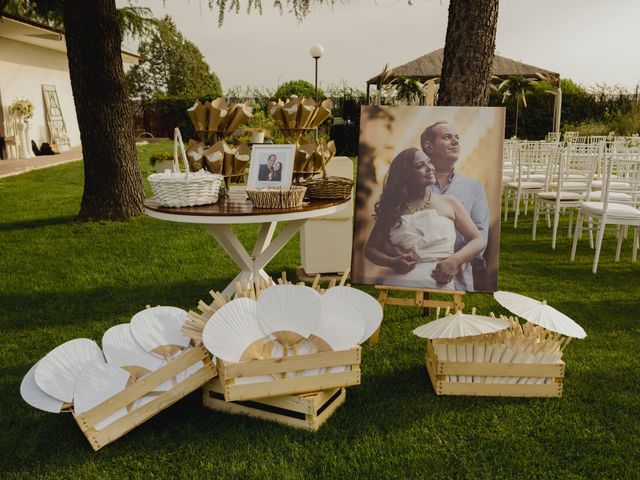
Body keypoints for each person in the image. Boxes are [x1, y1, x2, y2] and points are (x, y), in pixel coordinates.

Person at [364, 148, 485, 290]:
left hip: (439, 282)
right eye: (420, 166)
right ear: (406, 176)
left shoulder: (449, 202)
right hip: (398, 284)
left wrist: (454, 261)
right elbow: (371, 249)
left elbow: (478, 240)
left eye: (428, 162)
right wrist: (392, 262)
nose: (429, 168)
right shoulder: (393, 208)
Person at [420, 122, 489, 290]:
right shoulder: (413, 186)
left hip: (459, 276)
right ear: (429, 146)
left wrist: (455, 261)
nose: (456, 142)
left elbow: (481, 234)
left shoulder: (474, 187)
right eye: (447, 137)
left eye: (457, 137)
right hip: (417, 271)